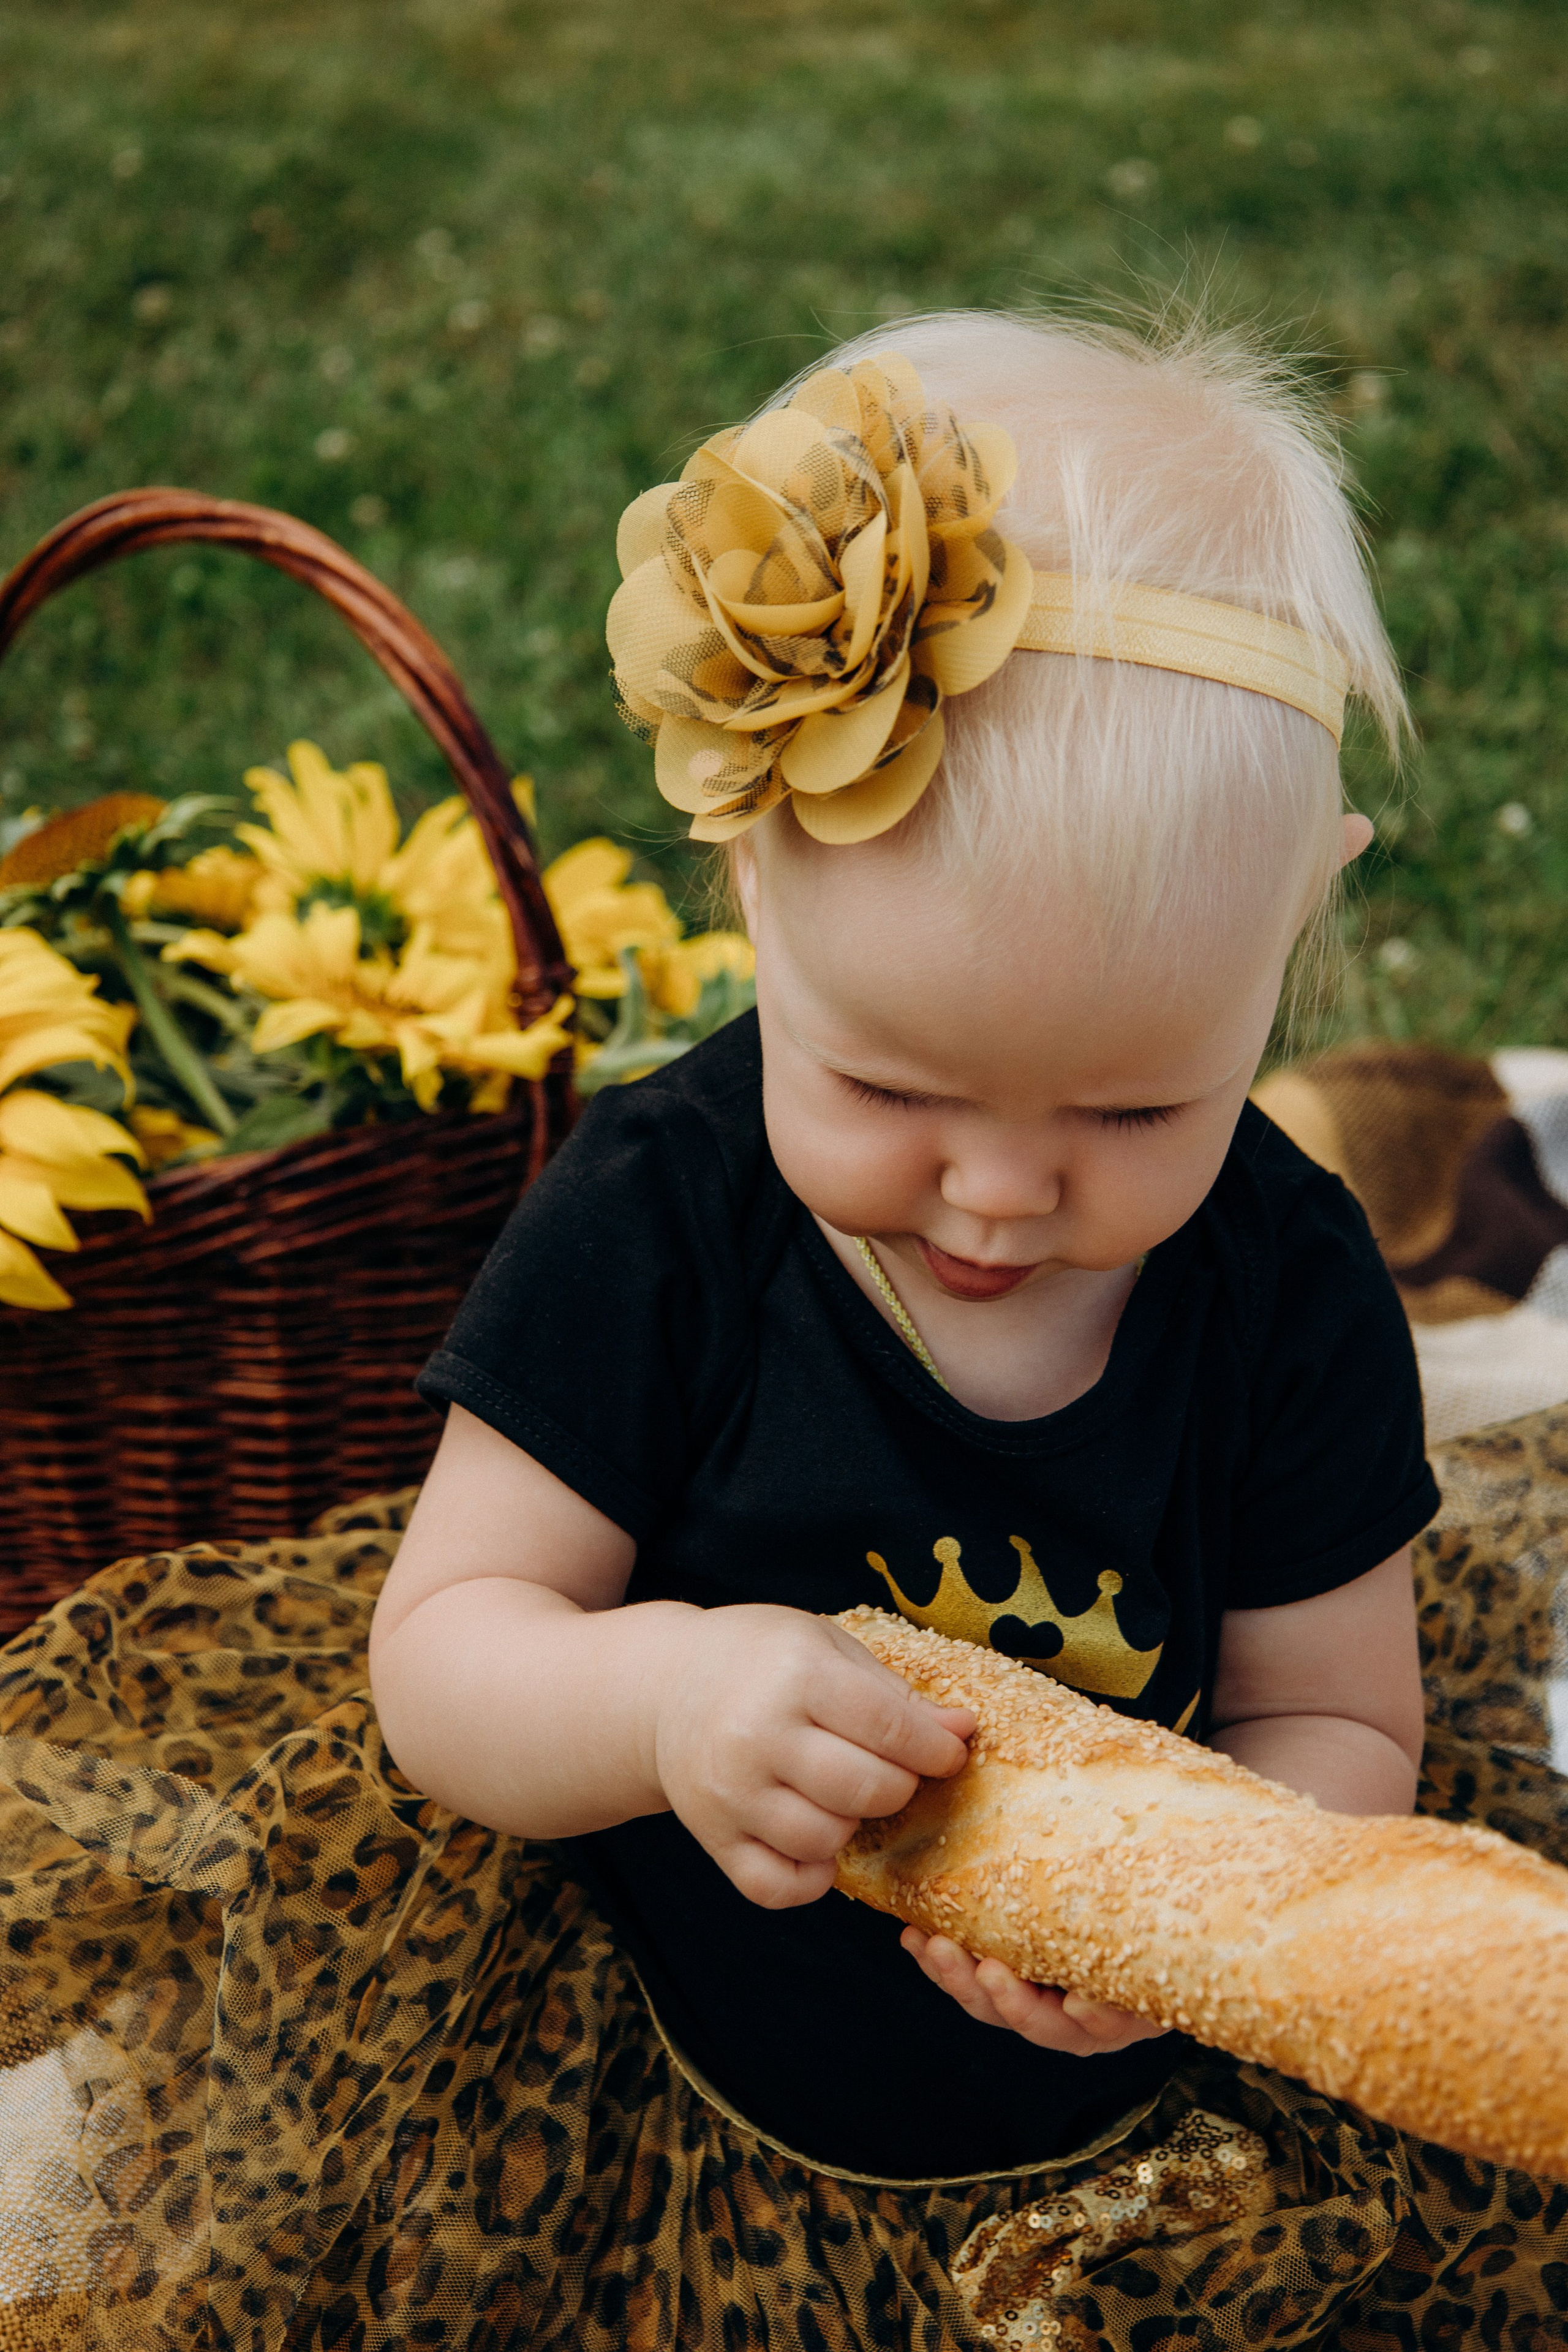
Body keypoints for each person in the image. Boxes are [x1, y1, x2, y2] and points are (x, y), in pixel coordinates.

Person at [1, 311, 1564, 2350]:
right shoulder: (658, 1224)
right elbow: (446, 1659)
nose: (1002, 1193)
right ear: (754, 898)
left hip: (1146, 2117)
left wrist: (1215, 1918)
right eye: (896, 1091)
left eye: (1132, 1111)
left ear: (1293, 934)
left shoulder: (1288, 1275)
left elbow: (1341, 1717)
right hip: (653, 2063)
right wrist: (662, 1701)